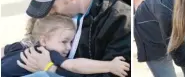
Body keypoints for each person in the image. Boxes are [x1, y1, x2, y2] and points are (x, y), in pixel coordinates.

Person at [13, 0, 131, 76]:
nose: (48, 13)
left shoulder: (121, 21)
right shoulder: (62, 12)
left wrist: (52, 69)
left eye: (52, 6)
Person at [1, 15, 130, 77]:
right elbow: (75, 65)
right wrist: (109, 66)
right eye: (64, 42)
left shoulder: (22, 46)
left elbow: (3, 51)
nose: (68, 48)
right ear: (44, 40)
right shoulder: (49, 54)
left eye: (71, 42)